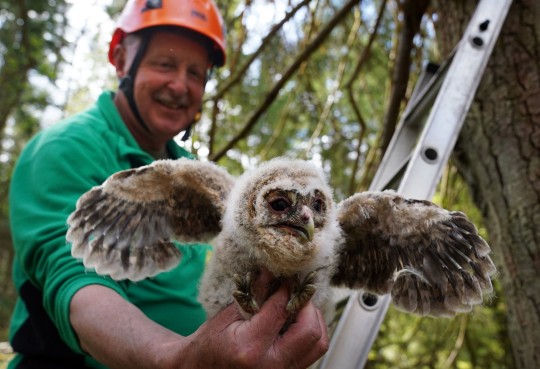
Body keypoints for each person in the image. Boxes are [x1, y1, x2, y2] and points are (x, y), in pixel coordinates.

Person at [7, 1, 329, 368]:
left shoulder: (197, 174)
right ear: (121, 58)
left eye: (196, 73)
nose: (180, 85)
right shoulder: (66, 147)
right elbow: (76, 282)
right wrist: (176, 359)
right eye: (165, 64)